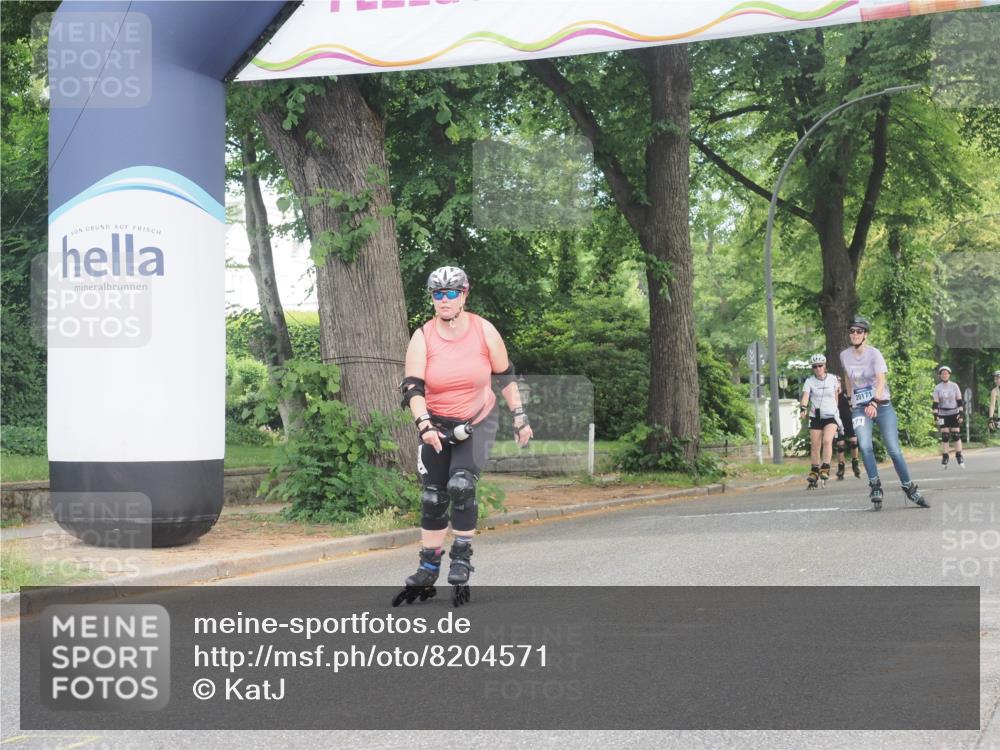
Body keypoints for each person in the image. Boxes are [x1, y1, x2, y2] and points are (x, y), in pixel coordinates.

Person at [395, 266, 533, 604]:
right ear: (432, 299)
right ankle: (428, 567)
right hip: (436, 425)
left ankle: (461, 555)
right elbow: (412, 386)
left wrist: (519, 416)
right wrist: (424, 425)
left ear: (464, 295)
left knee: (461, 485)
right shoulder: (423, 337)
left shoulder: (484, 331)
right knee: (432, 496)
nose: (444, 300)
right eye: (437, 294)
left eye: (451, 293)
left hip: (477, 420)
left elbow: (505, 376)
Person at [839, 316, 928, 511]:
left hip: (882, 405)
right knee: (865, 445)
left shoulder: (874, 354)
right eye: (852, 331)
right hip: (860, 407)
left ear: (866, 335)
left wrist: (874, 401)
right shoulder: (844, 355)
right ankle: (875, 486)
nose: (854, 334)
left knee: (894, 450)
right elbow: (847, 376)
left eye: (859, 331)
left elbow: (881, 381)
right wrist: (849, 399)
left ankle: (909, 487)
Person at [798, 354, 840, 488]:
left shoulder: (833, 379)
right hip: (816, 415)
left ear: (825, 366)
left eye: (820, 366)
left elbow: (836, 397)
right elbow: (805, 396)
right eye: (815, 367)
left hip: (830, 415)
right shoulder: (809, 381)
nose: (818, 369)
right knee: (815, 445)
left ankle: (825, 467)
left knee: (827, 440)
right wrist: (803, 408)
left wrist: (836, 411)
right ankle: (814, 471)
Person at [932, 365, 965, 469]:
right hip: (943, 413)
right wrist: (936, 415)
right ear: (940, 375)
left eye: (946, 373)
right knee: (945, 435)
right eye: (942, 374)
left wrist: (961, 414)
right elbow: (935, 403)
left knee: (955, 434)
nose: (944, 375)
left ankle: (959, 455)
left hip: (954, 412)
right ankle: (945, 457)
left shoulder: (954, 386)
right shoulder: (937, 387)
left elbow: (959, 401)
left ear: (949, 375)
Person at [834, 381, 861, 480]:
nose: (837, 385)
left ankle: (855, 464)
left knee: (854, 441)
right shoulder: (831, 395)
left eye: (838, 382)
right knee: (840, 444)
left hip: (849, 421)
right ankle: (841, 468)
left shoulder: (847, 393)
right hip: (838, 421)